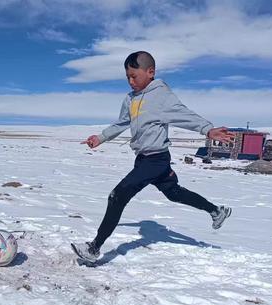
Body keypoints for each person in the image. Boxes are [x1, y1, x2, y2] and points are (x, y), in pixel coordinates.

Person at [71, 51, 235, 263]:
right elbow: (122, 123)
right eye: (127, 77)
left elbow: (183, 113)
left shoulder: (160, 96)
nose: (130, 81)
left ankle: (94, 248)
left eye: (134, 76)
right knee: (174, 193)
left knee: (117, 196)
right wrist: (101, 137)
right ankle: (216, 211)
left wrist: (207, 129)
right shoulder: (130, 99)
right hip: (143, 159)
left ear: (150, 72)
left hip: (156, 159)